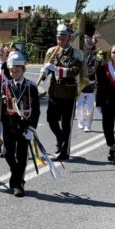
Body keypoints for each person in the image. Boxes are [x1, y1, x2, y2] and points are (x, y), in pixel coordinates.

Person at [0, 50, 40, 197]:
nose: (14, 74)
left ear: (23, 69)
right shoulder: (5, 86)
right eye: (11, 71)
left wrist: (31, 129)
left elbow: (36, 111)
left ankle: (18, 184)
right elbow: (0, 107)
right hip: (9, 126)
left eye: (17, 71)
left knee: (22, 156)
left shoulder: (31, 87)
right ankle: (16, 173)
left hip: (24, 127)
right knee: (7, 154)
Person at [41, 21, 84, 160]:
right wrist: (44, 71)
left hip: (68, 94)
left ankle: (65, 152)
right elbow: (46, 69)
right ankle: (60, 139)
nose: (60, 41)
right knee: (51, 119)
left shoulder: (77, 53)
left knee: (66, 124)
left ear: (69, 38)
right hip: (54, 92)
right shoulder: (51, 51)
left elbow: (74, 71)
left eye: (63, 38)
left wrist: (56, 69)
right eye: (58, 38)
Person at [76, 35, 102, 133]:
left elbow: (99, 73)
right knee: (80, 105)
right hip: (80, 85)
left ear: (91, 49)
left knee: (89, 106)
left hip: (91, 85)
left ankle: (87, 125)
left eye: (88, 48)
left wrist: (99, 86)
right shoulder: (79, 58)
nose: (86, 50)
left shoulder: (96, 60)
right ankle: (80, 121)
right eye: (85, 48)